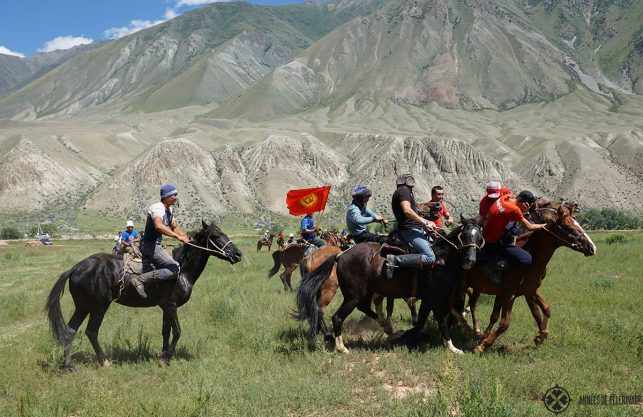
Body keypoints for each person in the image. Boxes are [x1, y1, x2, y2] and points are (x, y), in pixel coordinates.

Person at [130, 184, 191, 299]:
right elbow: (159, 226)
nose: (176, 197)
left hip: (156, 245)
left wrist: (186, 237)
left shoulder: (169, 210)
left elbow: (175, 227)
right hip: (149, 244)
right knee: (175, 268)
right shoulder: (158, 208)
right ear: (167, 196)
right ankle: (139, 280)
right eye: (174, 195)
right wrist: (178, 238)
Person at [481, 190, 547, 284]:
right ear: (525, 204)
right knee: (526, 259)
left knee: (515, 227)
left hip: (486, 230)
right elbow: (530, 227)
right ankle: (494, 265)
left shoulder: (506, 197)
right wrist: (546, 225)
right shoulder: (514, 210)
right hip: (493, 241)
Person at [387, 173, 437, 278]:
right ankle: (395, 260)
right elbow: (407, 210)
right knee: (430, 257)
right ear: (407, 182)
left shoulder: (403, 192)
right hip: (409, 231)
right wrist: (425, 222)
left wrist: (425, 223)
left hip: (411, 229)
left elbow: (412, 211)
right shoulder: (403, 191)